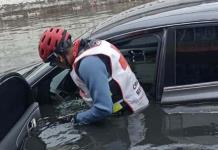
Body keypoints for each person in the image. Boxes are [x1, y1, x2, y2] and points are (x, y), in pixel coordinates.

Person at [38, 27, 149, 125]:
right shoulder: (93, 46)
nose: (56, 65)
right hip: (137, 106)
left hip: (130, 119)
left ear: (59, 58)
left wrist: (74, 119)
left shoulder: (87, 64)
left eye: (53, 63)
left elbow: (103, 109)